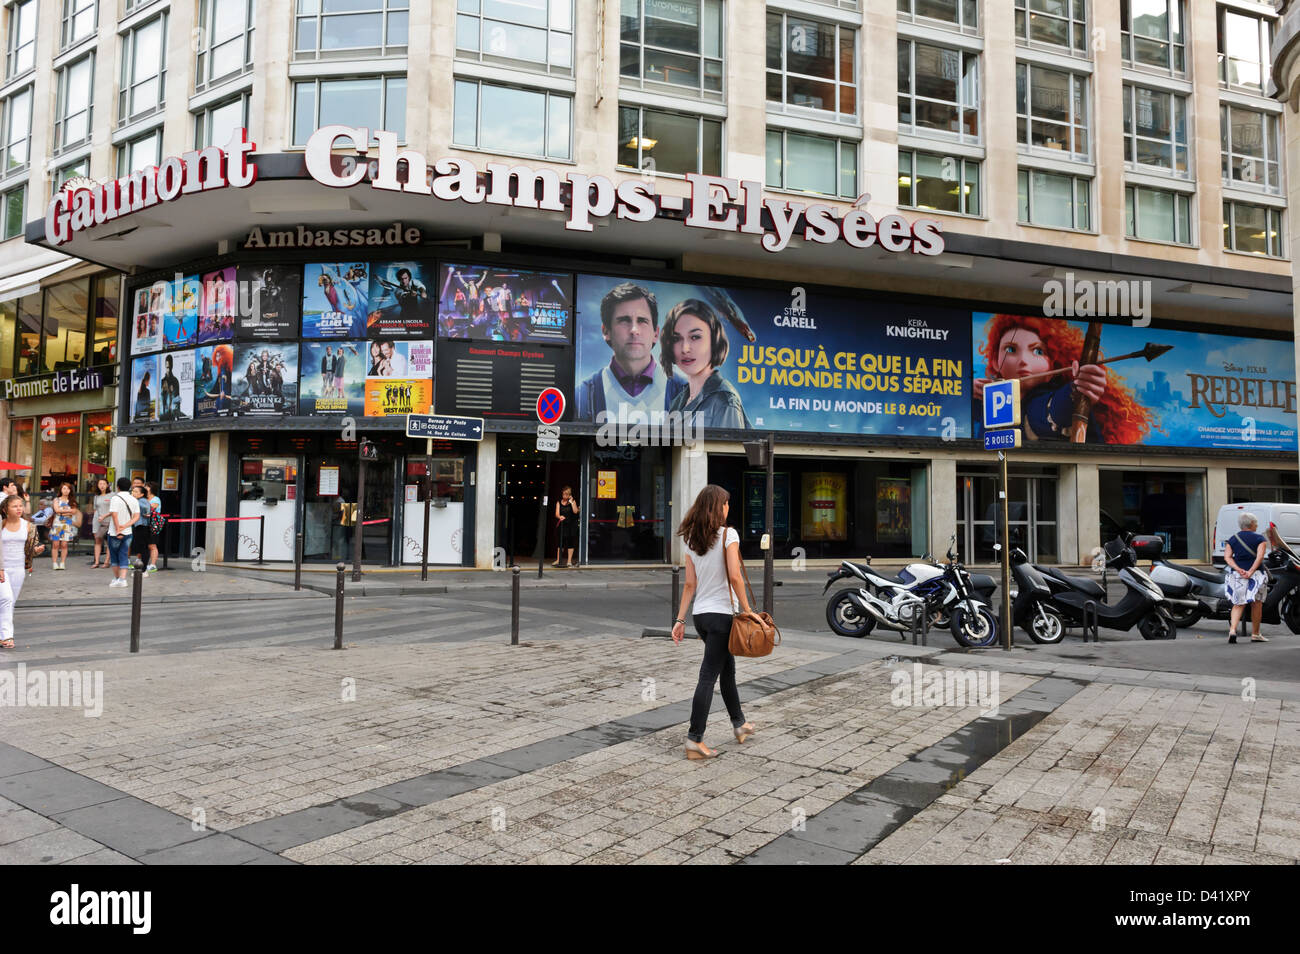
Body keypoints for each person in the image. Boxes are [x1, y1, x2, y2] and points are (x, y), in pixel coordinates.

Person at [670, 484, 755, 760]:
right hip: (722, 617)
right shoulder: (729, 535)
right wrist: (748, 609)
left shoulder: (692, 539)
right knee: (708, 676)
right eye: (726, 504)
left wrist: (680, 619)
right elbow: (734, 576)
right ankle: (694, 739)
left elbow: (689, 585)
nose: (728, 508)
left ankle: (739, 725)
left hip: (701, 617)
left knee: (726, 670)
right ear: (718, 507)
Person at [973, 314, 1154, 444]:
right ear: (995, 361)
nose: (1023, 361)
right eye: (1011, 349)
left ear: (1053, 367)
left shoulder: (1041, 400)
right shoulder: (987, 396)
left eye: (1038, 351)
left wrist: (1077, 388)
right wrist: (967, 391)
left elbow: (1051, 410)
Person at [577, 282, 686, 422]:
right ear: (606, 331)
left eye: (642, 321)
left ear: (655, 333)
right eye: (624, 320)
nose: (634, 330)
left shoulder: (684, 392)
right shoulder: (582, 395)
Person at [662, 299, 750, 430]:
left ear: (714, 341)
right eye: (677, 338)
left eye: (695, 337)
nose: (685, 348)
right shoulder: (678, 401)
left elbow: (729, 450)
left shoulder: (724, 401)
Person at [0, 493, 43, 649]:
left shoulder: (29, 526)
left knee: (10, 603)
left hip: (19, 568)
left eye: (20, 506)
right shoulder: (1, 524)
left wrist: (37, 550)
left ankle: (1, 635)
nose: (19, 509)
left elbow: (31, 549)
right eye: (15, 506)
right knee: (6, 598)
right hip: (1, 568)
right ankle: (7, 636)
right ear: (5, 509)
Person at [1224, 511, 1270, 644]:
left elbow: (1227, 557)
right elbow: (1260, 557)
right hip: (1256, 575)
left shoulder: (1233, 539)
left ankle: (1232, 630)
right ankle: (1255, 634)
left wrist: (1239, 569)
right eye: (1256, 523)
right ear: (1251, 524)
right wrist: (1250, 571)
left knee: (1238, 603)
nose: (1257, 525)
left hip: (1237, 575)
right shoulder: (1259, 539)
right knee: (1257, 604)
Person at [107, 477, 139, 588]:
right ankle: (123, 579)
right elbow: (136, 517)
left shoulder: (115, 498)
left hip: (114, 532)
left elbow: (114, 515)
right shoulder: (134, 499)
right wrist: (126, 526)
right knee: (124, 554)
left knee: (114, 556)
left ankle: (117, 578)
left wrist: (118, 529)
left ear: (118, 487)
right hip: (128, 532)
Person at [47, 482, 77, 570]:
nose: (66, 490)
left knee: (64, 545)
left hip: (67, 525)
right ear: (61, 489)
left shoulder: (72, 501)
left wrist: (62, 511)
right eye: (64, 488)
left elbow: (74, 511)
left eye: (68, 488)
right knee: (55, 544)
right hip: (57, 525)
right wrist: (68, 511)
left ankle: (63, 562)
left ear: (70, 490)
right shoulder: (56, 500)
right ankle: (55, 562)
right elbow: (56, 510)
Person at [553, 485, 580, 568]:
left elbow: (576, 511)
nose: (564, 496)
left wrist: (572, 503)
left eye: (566, 494)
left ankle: (569, 561)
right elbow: (556, 513)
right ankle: (558, 560)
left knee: (570, 542)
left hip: (572, 525)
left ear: (569, 495)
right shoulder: (559, 502)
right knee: (561, 542)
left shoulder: (573, 501)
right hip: (563, 525)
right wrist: (559, 516)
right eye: (563, 494)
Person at [131, 484, 153, 572]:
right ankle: (142, 568)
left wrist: (146, 513)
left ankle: (143, 570)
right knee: (140, 547)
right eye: (133, 491)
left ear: (142, 494)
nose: (133, 493)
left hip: (142, 526)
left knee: (143, 548)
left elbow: (147, 509)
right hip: (139, 526)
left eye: (136, 492)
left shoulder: (141, 501)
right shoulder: (138, 500)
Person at [91, 477, 112, 568]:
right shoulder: (96, 496)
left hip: (109, 520)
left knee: (109, 542)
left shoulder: (112, 495)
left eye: (104, 484)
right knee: (97, 540)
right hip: (97, 520)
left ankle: (107, 562)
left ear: (107, 485)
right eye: (100, 484)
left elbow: (114, 510)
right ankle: (96, 561)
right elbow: (95, 509)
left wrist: (105, 516)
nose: (102, 486)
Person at [144, 481, 162, 572]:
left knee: (152, 545)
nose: (145, 488)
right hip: (144, 524)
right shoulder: (143, 498)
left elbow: (150, 509)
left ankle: (153, 564)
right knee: (145, 544)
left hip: (152, 524)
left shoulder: (156, 499)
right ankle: (145, 563)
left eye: (147, 487)